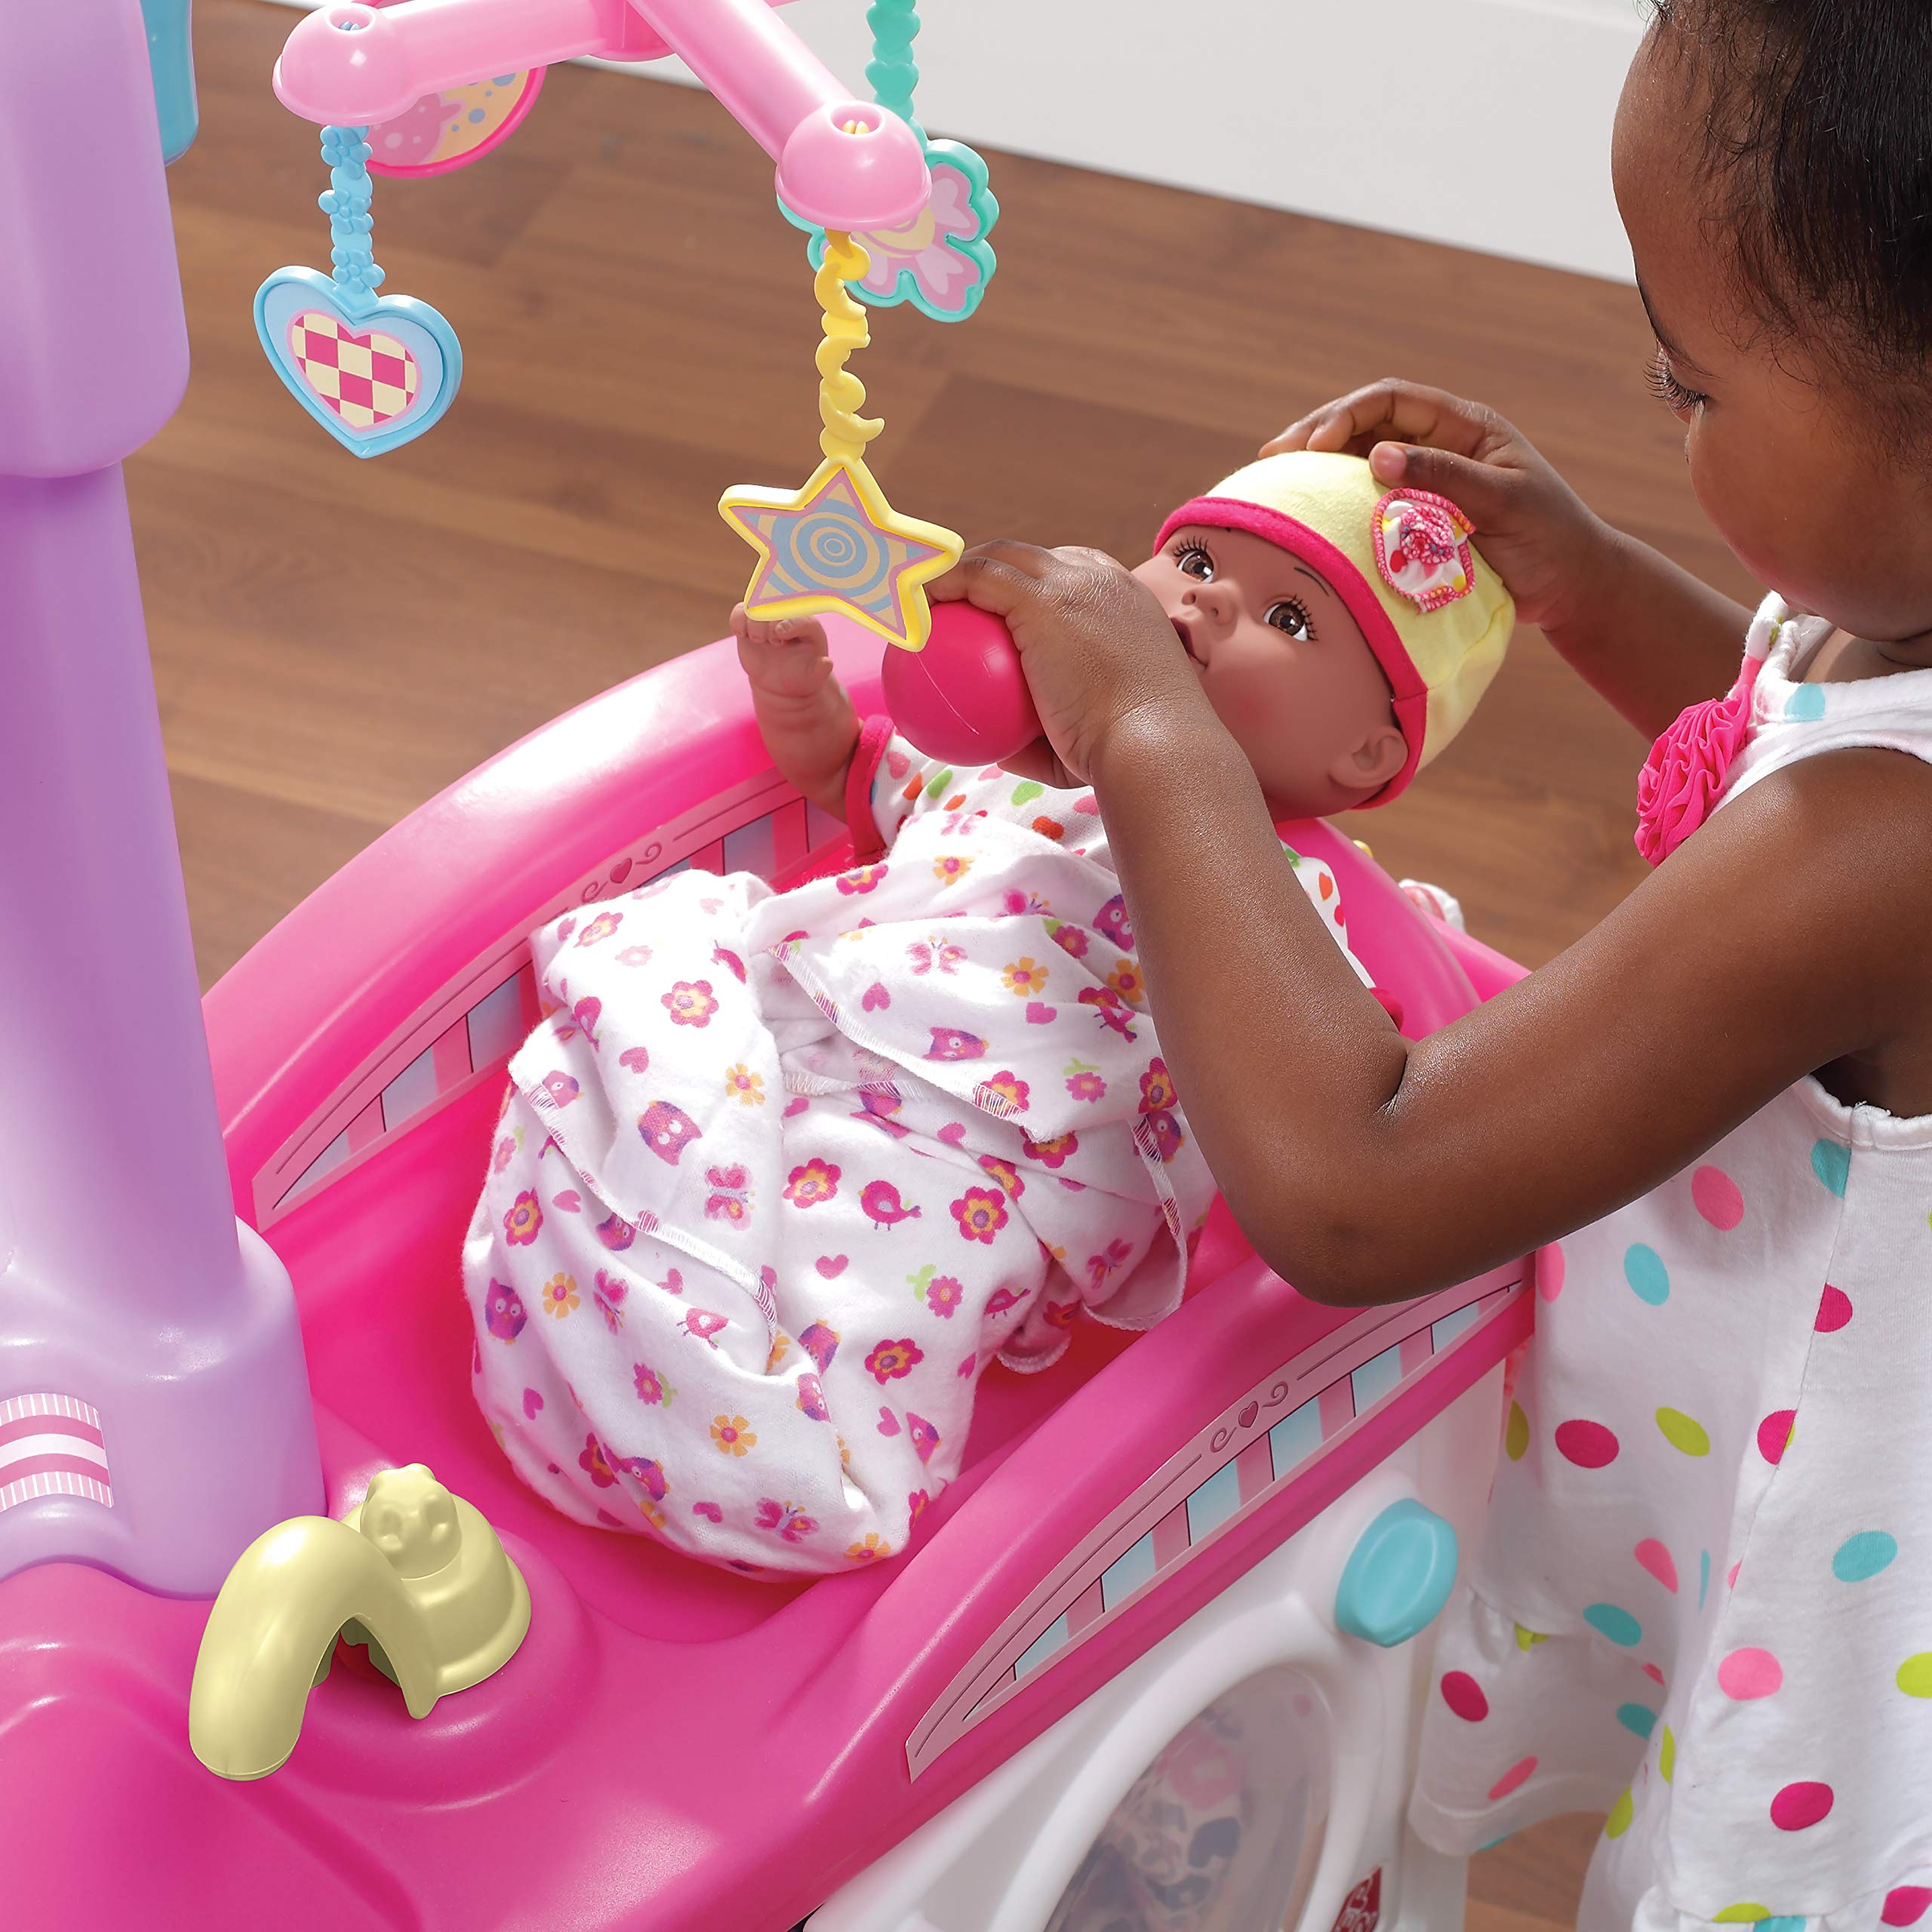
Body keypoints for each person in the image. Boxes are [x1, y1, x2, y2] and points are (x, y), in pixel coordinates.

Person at [937, 3, 1932, 1924]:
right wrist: (1582, 575)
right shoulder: (1885, 641)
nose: (1660, 401)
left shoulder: (1883, 853)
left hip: (1840, 1581)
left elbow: (1360, 1176)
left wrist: (1152, 731)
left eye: (1693, 384)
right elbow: (1781, 733)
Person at [463, 454, 1510, 1577]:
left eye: (1287, 619)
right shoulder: (1015, 765)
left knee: (870, 1288)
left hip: (982, 1163)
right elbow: (850, 773)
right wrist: (797, 693)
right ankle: (630, 1289)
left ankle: (732, 1432)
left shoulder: (1282, 907)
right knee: (656, 1025)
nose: (1207, 600)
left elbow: (1330, 1078)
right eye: (1197, 559)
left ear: (1364, 756)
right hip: (803, 1040)